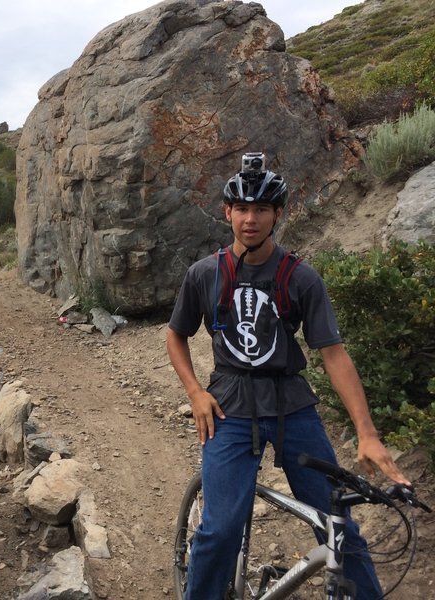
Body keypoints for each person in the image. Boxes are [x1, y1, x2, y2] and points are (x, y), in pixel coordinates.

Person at [165, 153, 410, 600]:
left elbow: (334, 356)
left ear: (278, 214)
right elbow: (175, 336)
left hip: (292, 405)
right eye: (241, 209)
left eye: (261, 209)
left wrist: (366, 432)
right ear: (228, 213)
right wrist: (195, 391)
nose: (250, 219)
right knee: (220, 530)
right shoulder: (204, 274)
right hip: (230, 405)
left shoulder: (301, 278)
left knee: (341, 532)